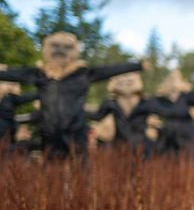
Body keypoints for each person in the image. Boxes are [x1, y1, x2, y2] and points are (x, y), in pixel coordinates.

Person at [0, 32, 143, 157]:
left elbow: (110, 69)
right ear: (47, 48)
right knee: (51, 175)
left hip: (76, 134)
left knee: (80, 174)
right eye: (55, 46)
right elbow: (10, 74)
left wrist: (138, 65)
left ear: (75, 51)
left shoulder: (83, 73)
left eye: (67, 47)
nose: (60, 50)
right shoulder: (40, 73)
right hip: (49, 135)